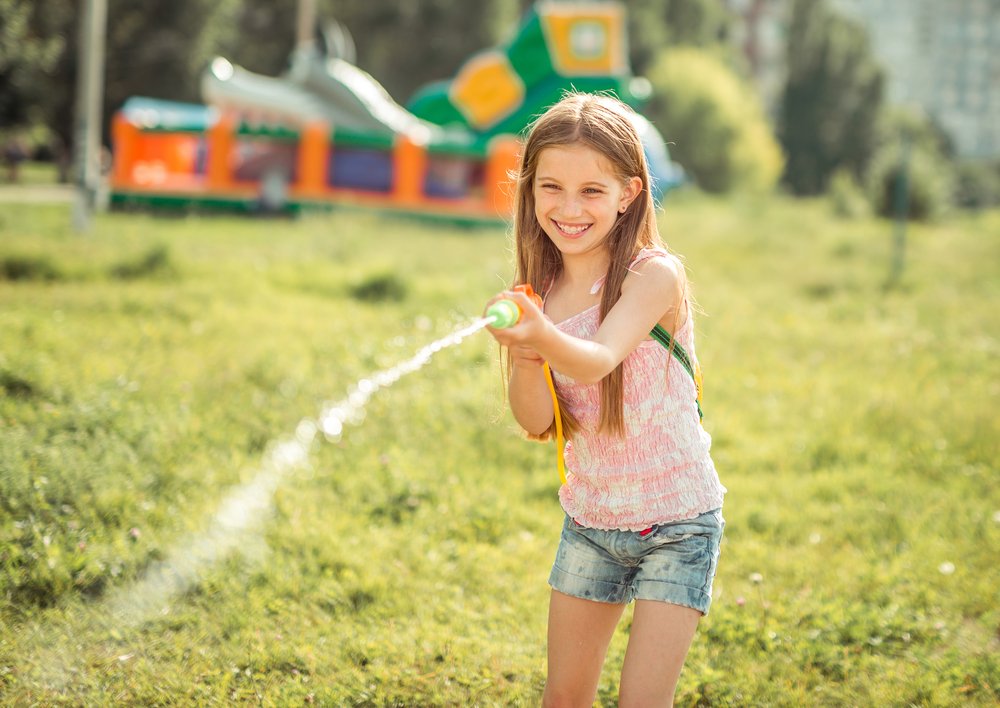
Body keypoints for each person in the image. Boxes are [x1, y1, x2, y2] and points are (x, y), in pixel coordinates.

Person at [484, 93, 726, 707]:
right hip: (591, 522)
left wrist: (541, 335)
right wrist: (528, 353)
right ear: (529, 190)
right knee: (563, 698)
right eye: (551, 188)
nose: (568, 209)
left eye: (592, 191)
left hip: (678, 522)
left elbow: (597, 360)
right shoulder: (540, 290)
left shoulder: (654, 276)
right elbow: (538, 420)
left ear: (630, 193)